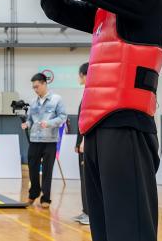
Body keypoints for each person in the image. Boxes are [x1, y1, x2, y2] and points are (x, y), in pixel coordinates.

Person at [37, 0, 162, 241]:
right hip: (98, 130)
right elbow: (59, 9)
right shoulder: (108, 9)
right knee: (105, 230)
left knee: (130, 230)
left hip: (126, 127)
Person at [21, 73, 67, 208]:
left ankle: (46, 198)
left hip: (50, 141)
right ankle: (33, 193)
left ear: (44, 84)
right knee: (32, 167)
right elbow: (30, 119)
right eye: (33, 87)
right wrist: (27, 124)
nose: (35, 89)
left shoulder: (56, 99)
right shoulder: (33, 102)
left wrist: (49, 123)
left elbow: (63, 117)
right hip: (34, 140)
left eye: (37, 86)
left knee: (47, 170)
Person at [72, 62, 89, 225]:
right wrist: (78, 142)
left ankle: (90, 214)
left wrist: (84, 140)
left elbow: (89, 120)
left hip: (87, 143)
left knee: (87, 179)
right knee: (83, 179)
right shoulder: (86, 93)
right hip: (82, 143)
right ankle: (86, 211)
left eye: (80, 75)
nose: (79, 77)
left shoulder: (92, 93)